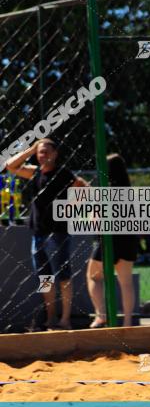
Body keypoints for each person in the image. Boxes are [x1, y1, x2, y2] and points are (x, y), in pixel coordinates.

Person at [6, 138, 89, 330]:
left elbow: (83, 187)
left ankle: (65, 319)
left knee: (64, 277)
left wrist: (71, 208)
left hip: (59, 233)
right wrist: (31, 149)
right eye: (40, 152)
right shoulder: (35, 172)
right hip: (38, 234)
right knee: (45, 278)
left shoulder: (63, 174)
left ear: (55, 154)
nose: (42, 155)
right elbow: (11, 166)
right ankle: (51, 317)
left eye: (46, 151)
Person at [86, 153, 138, 328]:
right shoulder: (129, 191)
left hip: (108, 240)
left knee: (93, 276)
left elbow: (96, 222)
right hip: (128, 240)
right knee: (126, 282)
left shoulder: (103, 190)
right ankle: (128, 321)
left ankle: (101, 315)